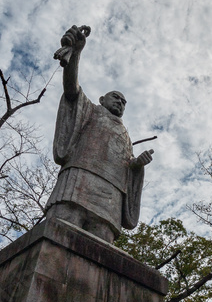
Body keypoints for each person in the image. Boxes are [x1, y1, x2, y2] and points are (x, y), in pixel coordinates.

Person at [45, 25, 154, 243]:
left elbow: (127, 165)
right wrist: (76, 54)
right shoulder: (91, 110)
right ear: (102, 99)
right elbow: (71, 89)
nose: (120, 102)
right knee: (60, 230)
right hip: (80, 178)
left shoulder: (126, 136)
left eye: (124, 102)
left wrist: (136, 165)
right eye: (116, 97)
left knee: (101, 243)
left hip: (110, 194)